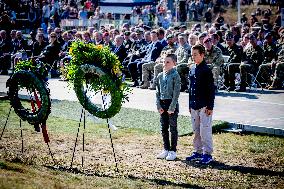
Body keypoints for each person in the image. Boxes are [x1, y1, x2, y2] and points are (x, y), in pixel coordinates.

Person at [186, 44, 215, 165]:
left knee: (205, 130)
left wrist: (210, 106)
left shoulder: (206, 70)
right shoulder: (192, 68)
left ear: (202, 55)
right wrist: (189, 104)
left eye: (195, 55)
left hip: (204, 105)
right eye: (192, 55)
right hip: (194, 105)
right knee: (196, 130)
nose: (193, 57)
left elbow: (211, 90)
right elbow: (190, 88)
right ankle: (197, 151)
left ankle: (207, 154)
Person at [156, 53, 181, 161]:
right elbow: (157, 92)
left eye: (168, 62)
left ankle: (172, 150)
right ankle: (165, 148)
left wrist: (172, 107)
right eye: (163, 62)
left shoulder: (175, 75)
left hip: (171, 104)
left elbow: (176, 93)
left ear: (174, 63)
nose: (165, 64)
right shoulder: (160, 76)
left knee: (173, 128)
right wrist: (158, 105)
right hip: (162, 104)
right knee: (164, 128)